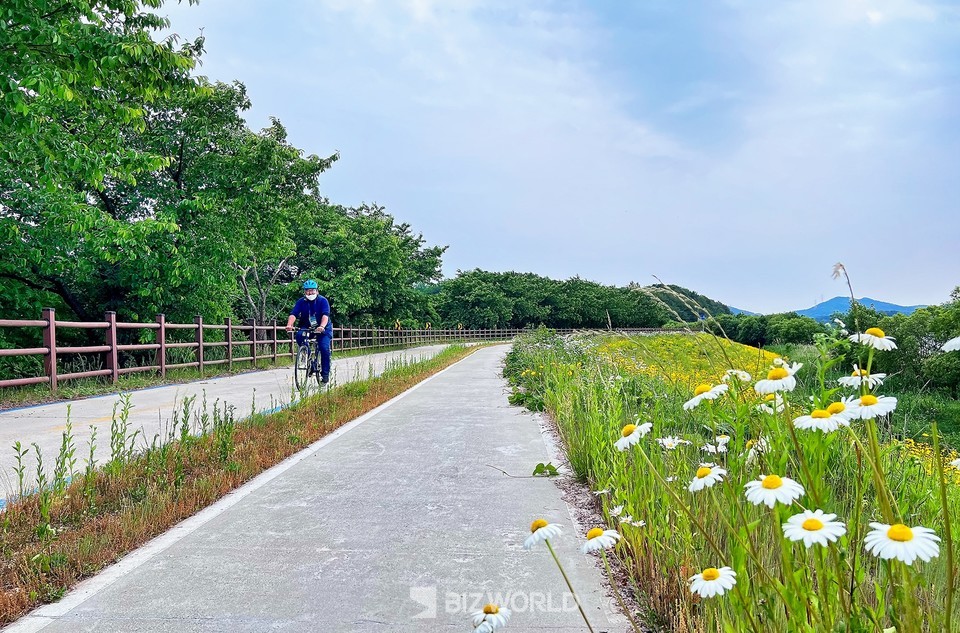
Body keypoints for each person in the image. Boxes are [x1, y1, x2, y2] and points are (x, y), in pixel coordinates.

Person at [285, 280, 332, 383]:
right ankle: (307, 354)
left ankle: (325, 374)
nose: (310, 293)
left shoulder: (323, 301)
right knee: (299, 335)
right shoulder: (301, 301)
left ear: (317, 291)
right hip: (307, 326)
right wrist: (289, 324)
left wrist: (322, 326)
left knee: (324, 348)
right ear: (304, 292)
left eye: (312, 291)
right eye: (307, 291)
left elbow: (325, 315)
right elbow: (294, 314)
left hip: (323, 328)